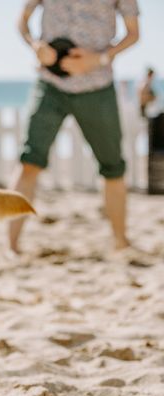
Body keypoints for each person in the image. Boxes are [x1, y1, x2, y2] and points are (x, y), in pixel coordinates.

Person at [9, 0, 140, 255]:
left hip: (97, 88)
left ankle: (120, 242)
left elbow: (134, 33)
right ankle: (12, 247)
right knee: (29, 161)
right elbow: (22, 19)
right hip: (50, 85)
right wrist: (35, 46)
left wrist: (98, 58)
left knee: (113, 167)